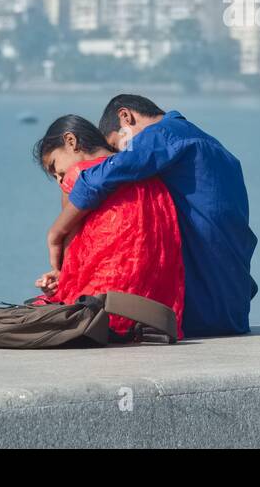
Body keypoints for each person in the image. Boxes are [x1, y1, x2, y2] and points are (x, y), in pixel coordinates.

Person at [46, 95, 257, 337]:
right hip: (233, 309)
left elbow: (94, 180)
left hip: (199, 312)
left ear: (125, 117)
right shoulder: (219, 151)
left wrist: (56, 233)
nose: (118, 155)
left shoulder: (163, 134)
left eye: (117, 147)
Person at [32, 114, 184, 340]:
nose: (59, 179)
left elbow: (70, 257)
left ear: (71, 141)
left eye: (55, 166)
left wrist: (59, 277)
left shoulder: (78, 176)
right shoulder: (148, 176)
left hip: (104, 312)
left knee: (39, 308)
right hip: (155, 314)